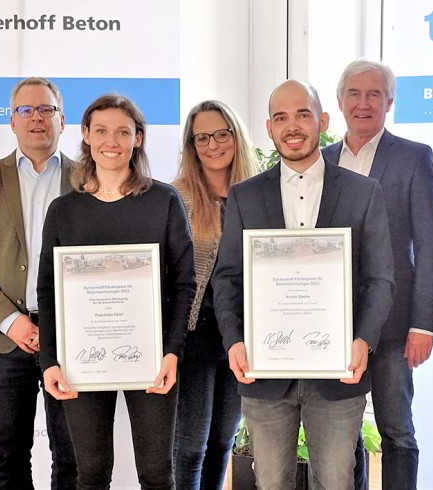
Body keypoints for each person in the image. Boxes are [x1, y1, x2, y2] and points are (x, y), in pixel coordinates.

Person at [212, 80, 394, 489]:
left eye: (302, 115)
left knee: (335, 482)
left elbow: (380, 278)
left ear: (322, 121)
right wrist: (234, 341)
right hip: (264, 371)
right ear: (269, 128)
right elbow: (227, 278)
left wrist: (363, 339)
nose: (292, 126)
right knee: (271, 483)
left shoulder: (363, 193)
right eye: (281, 118)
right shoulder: (245, 196)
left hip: (338, 373)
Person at [37, 94, 196, 489]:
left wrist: (172, 352)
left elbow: (183, 283)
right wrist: (50, 360)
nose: (112, 141)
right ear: (86, 135)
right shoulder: (63, 211)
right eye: (102, 131)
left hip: (153, 358)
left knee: (157, 473)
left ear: (137, 139)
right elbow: (48, 291)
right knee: (90, 473)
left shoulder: (164, 201)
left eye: (123, 132)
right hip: (81, 359)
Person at [322, 59, 433, 490]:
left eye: (375, 94)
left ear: (389, 102)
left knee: (396, 430)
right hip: (333, 325)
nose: (364, 103)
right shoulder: (321, 161)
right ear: (340, 101)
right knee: (343, 432)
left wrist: (423, 323)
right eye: (354, 94)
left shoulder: (413, 157)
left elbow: (429, 245)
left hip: (393, 325)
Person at [0, 77, 77, 489]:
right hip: (2, 341)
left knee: (73, 457)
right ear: (12, 121)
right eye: (26, 110)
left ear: (62, 120)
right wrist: (11, 321)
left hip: (71, 339)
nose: (36, 118)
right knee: (7, 458)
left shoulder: (87, 179)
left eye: (46, 109)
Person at [171, 100, 256, 489]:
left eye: (221, 134)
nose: (213, 144)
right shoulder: (177, 197)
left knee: (223, 442)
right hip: (195, 337)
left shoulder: (258, 194)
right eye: (201, 137)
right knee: (190, 447)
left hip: (242, 337)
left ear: (236, 136)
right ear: (191, 145)